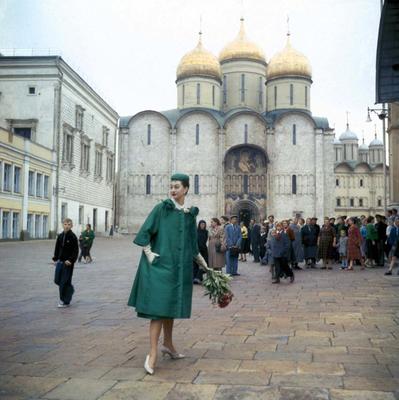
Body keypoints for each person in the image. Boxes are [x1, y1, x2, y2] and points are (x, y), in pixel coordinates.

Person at [127, 173, 208, 375]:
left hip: (178, 269)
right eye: (171, 186)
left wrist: (205, 266)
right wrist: (149, 254)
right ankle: (152, 353)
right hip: (160, 266)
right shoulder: (162, 208)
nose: (173, 189)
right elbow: (145, 232)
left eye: (177, 186)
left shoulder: (190, 214)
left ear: (186, 189)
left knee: (170, 307)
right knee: (158, 310)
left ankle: (169, 345)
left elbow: (192, 244)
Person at [52, 218, 79, 308]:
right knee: (57, 280)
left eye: (68, 224)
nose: (66, 226)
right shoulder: (60, 236)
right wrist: (55, 258)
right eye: (65, 224)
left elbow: (75, 251)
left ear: (71, 226)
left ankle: (64, 301)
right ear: (62, 225)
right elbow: (57, 248)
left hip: (68, 263)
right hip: (60, 262)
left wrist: (71, 260)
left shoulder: (73, 237)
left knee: (64, 282)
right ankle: (70, 289)